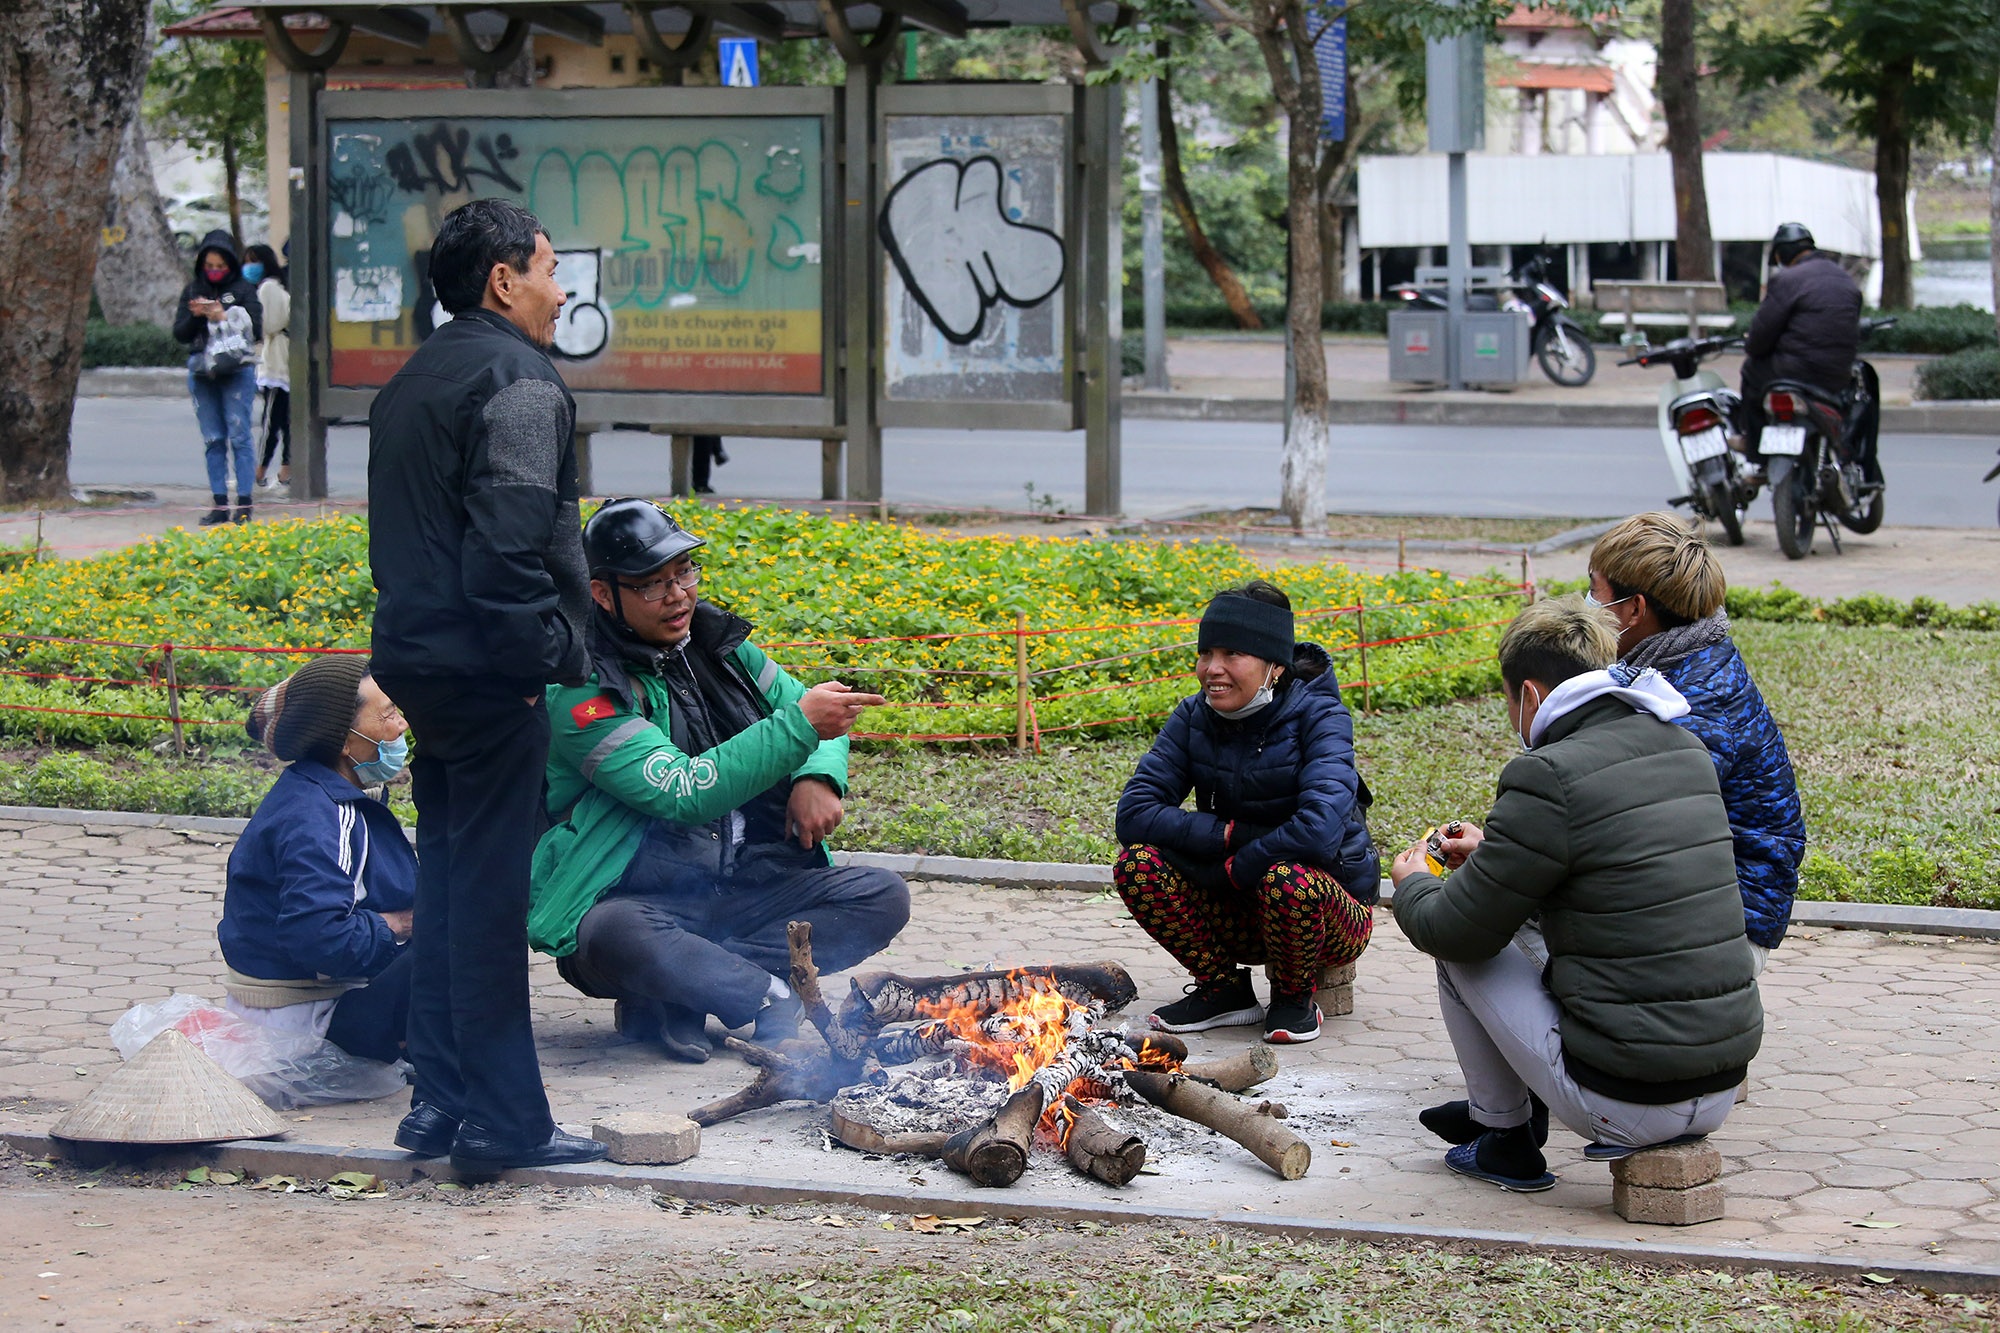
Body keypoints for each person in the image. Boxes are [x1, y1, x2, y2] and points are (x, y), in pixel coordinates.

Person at [367, 198, 606, 1172]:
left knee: (451, 883)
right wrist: (544, 659)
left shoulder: (413, 378)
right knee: (489, 898)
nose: (560, 290)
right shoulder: (519, 381)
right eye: (550, 269)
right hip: (484, 672)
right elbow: (507, 561)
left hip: (417, 661)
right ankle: (506, 1124)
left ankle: (436, 1104)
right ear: (503, 280)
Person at [1389, 596, 1762, 1193]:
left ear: (1531, 696)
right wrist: (1493, 855)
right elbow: (1613, 875)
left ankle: (1505, 1136)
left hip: (1629, 1101)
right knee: (1515, 927)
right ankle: (1499, 1119)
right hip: (1718, 1088)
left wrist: (1412, 885)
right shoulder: (1682, 748)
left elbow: (1458, 930)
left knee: (1460, 949)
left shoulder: (1548, 773)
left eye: (1509, 701)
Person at [530, 499, 906, 1059]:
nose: (678, 594)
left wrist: (819, 777)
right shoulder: (582, 690)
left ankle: (690, 988)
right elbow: (681, 790)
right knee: (608, 933)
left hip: (750, 885)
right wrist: (802, 727)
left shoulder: (725, 647)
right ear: (603, 594)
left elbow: (815, 715)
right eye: (651, 585)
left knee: (881, 895)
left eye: (683, 572)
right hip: (643, 898)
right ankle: (766, 994)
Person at [1113, 580, 1379, 1045]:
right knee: (1137, 864)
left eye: (1232, 654)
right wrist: (1230, 834)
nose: (1212, 669)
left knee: (1288, 878)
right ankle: (1224, 991)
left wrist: (1242, 865)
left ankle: (1295, 999)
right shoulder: (1193, 715)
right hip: (1235, 902)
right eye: (1206, 653)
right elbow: (1134, 814)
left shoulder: (1322, 716)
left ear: (1274, 665)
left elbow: (1318, 834)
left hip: (1328, 913)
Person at [1587, 513, 1805, 967]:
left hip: (1724, 928)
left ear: (1634, 610)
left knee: (1479, 943)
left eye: (1595, 591)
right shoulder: (1679, 659)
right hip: (1696, 899)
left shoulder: (1694, 704)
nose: (1586, 603)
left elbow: (1623, 825)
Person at [218, 656, 414, 1067]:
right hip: (306, 1024)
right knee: (461, 943)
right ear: (344, 742)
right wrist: (401, 923)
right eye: (389, 714)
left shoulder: (317, 792)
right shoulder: (321, 814)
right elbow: (322, 938)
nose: (401, 727)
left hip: (300, 1004)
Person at [1740, 222, 1862, 454]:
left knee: (1751, 369)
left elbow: (1759, 339)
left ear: (1784, 253)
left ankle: (1753, 446)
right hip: (1837, 375)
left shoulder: (1787, 280)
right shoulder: (1845, 280)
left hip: (1794, 371)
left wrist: (1754, 347)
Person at [173, 229, 263, 526]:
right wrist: (198, 314)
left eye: (220, 267)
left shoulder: (243, 290)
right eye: (209, 266)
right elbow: (180, 333)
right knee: (213, 439)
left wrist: (225, 316)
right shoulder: (193, 289)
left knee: (240, 436)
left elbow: (257, 329)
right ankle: (220, 504)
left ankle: (245, 503)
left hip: (237, 371)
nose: (214, 272)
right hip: (203, 372)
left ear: (230, 265)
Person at [244, 243, 291, 492]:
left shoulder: (267, 288)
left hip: (276, 365)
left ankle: (260, 470)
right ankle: (285, 469)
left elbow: (266, 325)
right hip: (285, 361)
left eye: (253, 261)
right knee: (285, 420)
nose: (249, 267)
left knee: (271, 420)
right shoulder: (279, 285)